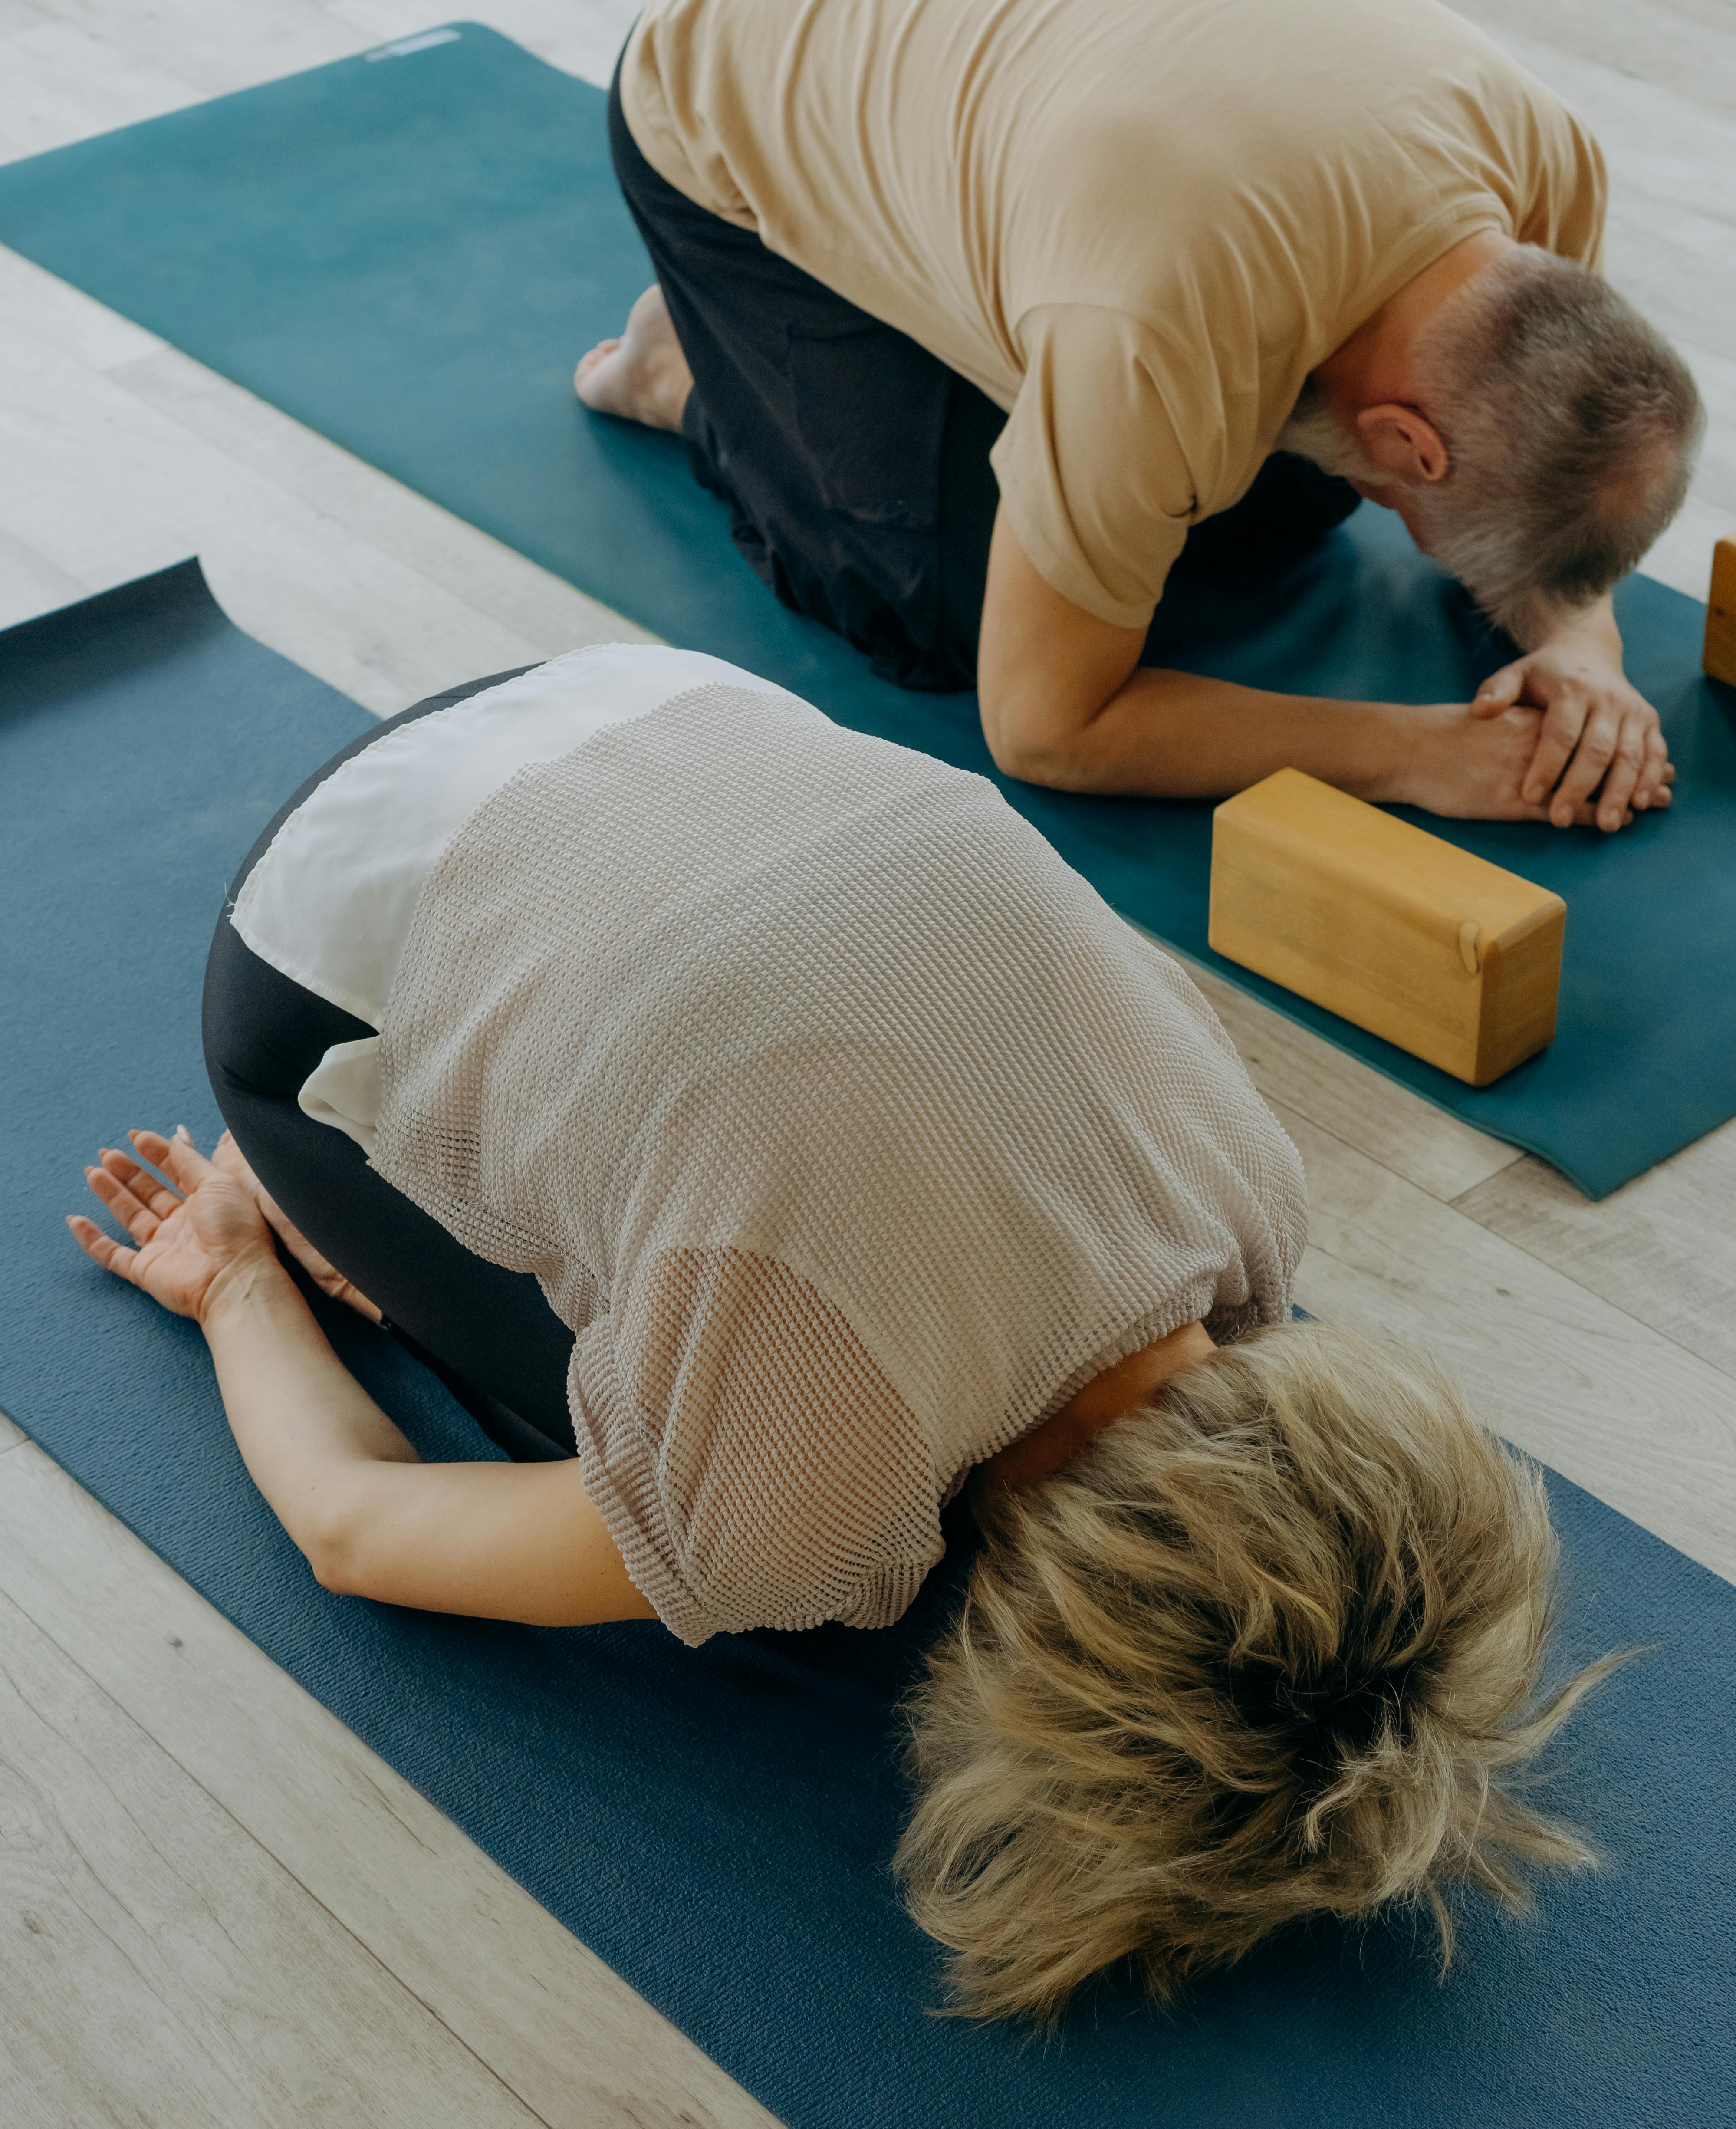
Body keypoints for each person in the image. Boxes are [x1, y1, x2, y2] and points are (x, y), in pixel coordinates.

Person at [69, 645, 1612, 2018]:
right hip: (310, 935)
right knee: (752, 1563)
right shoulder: (795, 1518)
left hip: (638, 697)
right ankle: (411, 1163)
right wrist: (238, 1282)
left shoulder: (1249, 1205)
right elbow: (358, 1528)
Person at [578, 0, 1704, 837]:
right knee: (941, 610)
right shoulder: (1160, 317)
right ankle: (692, 363)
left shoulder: (1543, 172)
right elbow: (1046, 728)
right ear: (1412, 440)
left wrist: (1580, 654)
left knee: (1262, 504)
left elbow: (1551, 462)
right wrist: (1416, 755)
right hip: (725, 67)